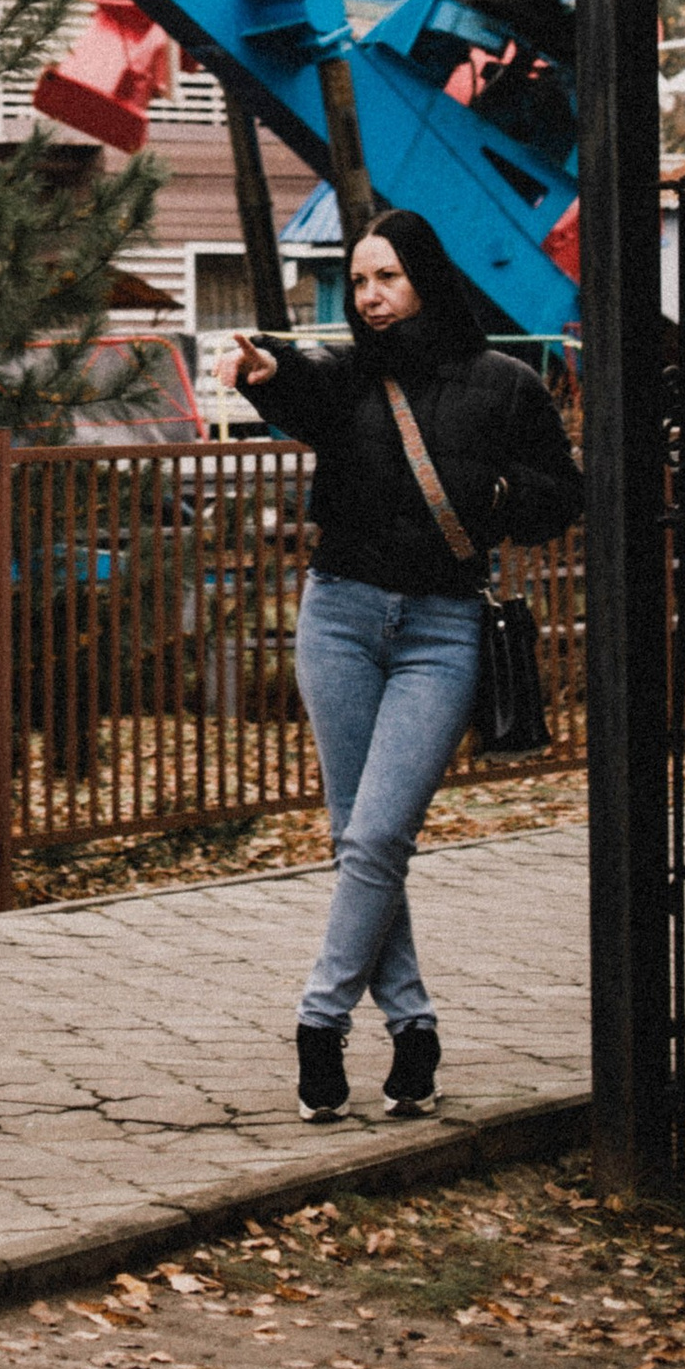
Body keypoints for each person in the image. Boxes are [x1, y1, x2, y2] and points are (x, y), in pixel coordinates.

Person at [219, 207, 583, 1125]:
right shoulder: (349, 379)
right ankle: (413, 1029)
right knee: (362, 841)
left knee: (378, 835)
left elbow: (558, 496)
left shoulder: (503, 384)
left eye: (387, 278)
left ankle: (320, 1019)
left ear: (424, 277)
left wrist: (499, 494)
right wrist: (265, 372)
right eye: (361, 280)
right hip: (338, 616)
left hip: (443, 628)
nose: (372, 297)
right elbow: (301, 389)